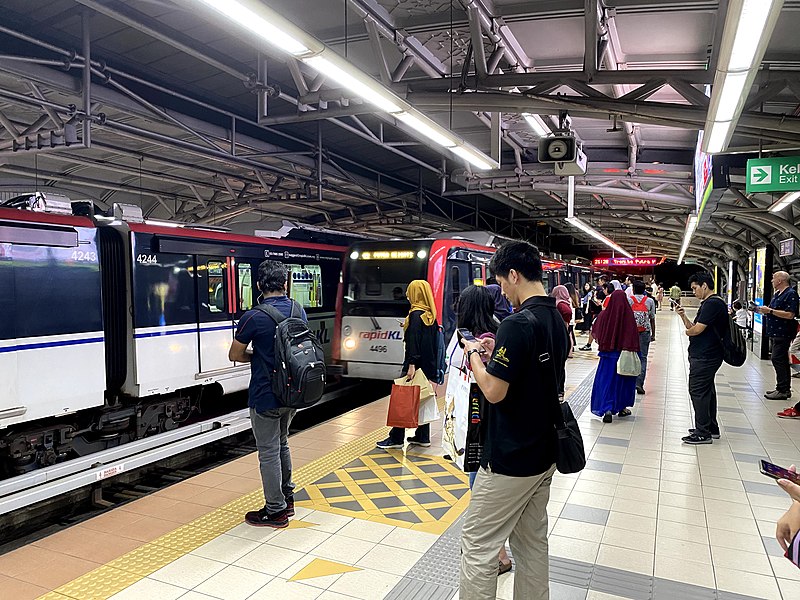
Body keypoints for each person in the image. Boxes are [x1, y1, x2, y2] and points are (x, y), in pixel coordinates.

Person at [459, 241, 568, 600]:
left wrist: (476, 354)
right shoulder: (556, 316)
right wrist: (497, 356)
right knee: (532, 543)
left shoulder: (516, 323)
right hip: (544, 451)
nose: (501, 291)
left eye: (501, 283)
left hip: (510, 458)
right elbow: (531, 372)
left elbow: (493, 391)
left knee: (477, 542)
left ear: (514, 274)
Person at [229, 260, 308, 528]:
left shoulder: (253, 317)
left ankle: (275, 510)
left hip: (265, 393)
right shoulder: (299, 310)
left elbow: (235, 354)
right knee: (283, 443)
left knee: (268, 451)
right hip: (293, 391)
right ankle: (288, 499)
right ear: (285, 284)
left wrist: (258, 356)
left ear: (260, 286)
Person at [448, 285, 512, 575]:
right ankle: (492, 549)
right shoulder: (484, 332)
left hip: (479, 420)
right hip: (479, 419)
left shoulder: (482, 339)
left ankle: (498, 555)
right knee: (479, 483)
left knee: (479, 485)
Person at [377, 280, 439, 449]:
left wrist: (411, 364)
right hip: (428, 365)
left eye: (410, 291)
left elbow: (414, 343)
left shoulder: (415, 315)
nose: (406, 295)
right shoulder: (429, 315)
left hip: (415, 364)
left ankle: (396, 438)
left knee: (402, 399)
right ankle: (422, 436)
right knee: (422, 398)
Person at [676, 272, 729, 444]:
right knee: (707, 392)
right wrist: (683, 316)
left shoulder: (712, 304)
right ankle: (710, 428)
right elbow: (695, 326)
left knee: (697, 391)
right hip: (707, 354)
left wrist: (687, 332)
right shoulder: (710, 303)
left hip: (706, 355)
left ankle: (702, 432)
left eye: (694, 288)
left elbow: (696, 330)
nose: (693, 292)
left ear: (704, 285)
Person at [590, 290, 640, 423]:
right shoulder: (628, 316)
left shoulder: (604, 315)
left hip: (607, 356)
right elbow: (634, 338)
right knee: (623, 383)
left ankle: (606, 408)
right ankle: (621, 407)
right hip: (624, 357)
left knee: (606, 382)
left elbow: (596, 333)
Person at [755, 271, 799, 401]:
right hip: (775, 331)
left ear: (780, 280)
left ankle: (783, 390)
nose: (772, 280)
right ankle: (783, 388)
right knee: (781, 360)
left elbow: (790, 314)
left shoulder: (790, 294)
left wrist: (771, 311)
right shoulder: (777, 294)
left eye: (774, 278)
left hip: (783, 332)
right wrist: (766, 311)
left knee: (777, 359)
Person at [629, 280, 656, 395]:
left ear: (633, 289)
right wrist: (653, 334)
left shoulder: (629, 300)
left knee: (630, 356)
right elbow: (652, 318)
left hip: (631, 332)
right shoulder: (650, 301)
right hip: (645, 332)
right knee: (643, 357)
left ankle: (630, 382)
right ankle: (639, 383)